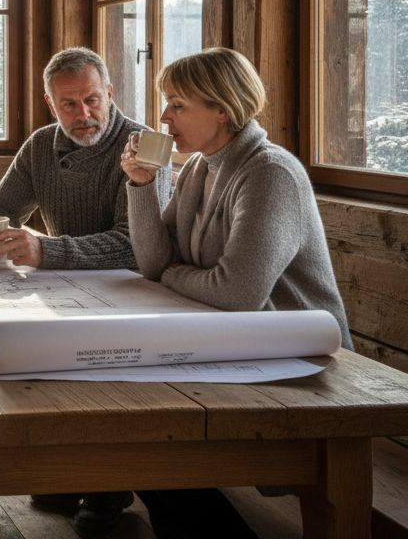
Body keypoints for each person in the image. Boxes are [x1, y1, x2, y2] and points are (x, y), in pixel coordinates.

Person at [119, 47, 353, 539]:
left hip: (301, 364)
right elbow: (155, 262)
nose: (163, 116)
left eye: (178, 104)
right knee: (130, 424)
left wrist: (173, 276)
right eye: (166, 103)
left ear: (222, 108)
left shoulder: (270, 173)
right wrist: (142, 184)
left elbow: (237, 292)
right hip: (238, 344)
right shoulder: (201, 168)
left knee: (148, 436)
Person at [0, 46, 170, 537]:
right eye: (69, 105)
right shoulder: (40, 145)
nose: (85, 114)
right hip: (66, 287)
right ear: (49, 104)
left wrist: (47, 251)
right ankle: (68, 468)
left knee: (100, 376)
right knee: (32, 364)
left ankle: (107, 485)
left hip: (140, 295)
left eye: (93, 100)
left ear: (110, 93)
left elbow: (134, 248)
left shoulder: (144, 147)